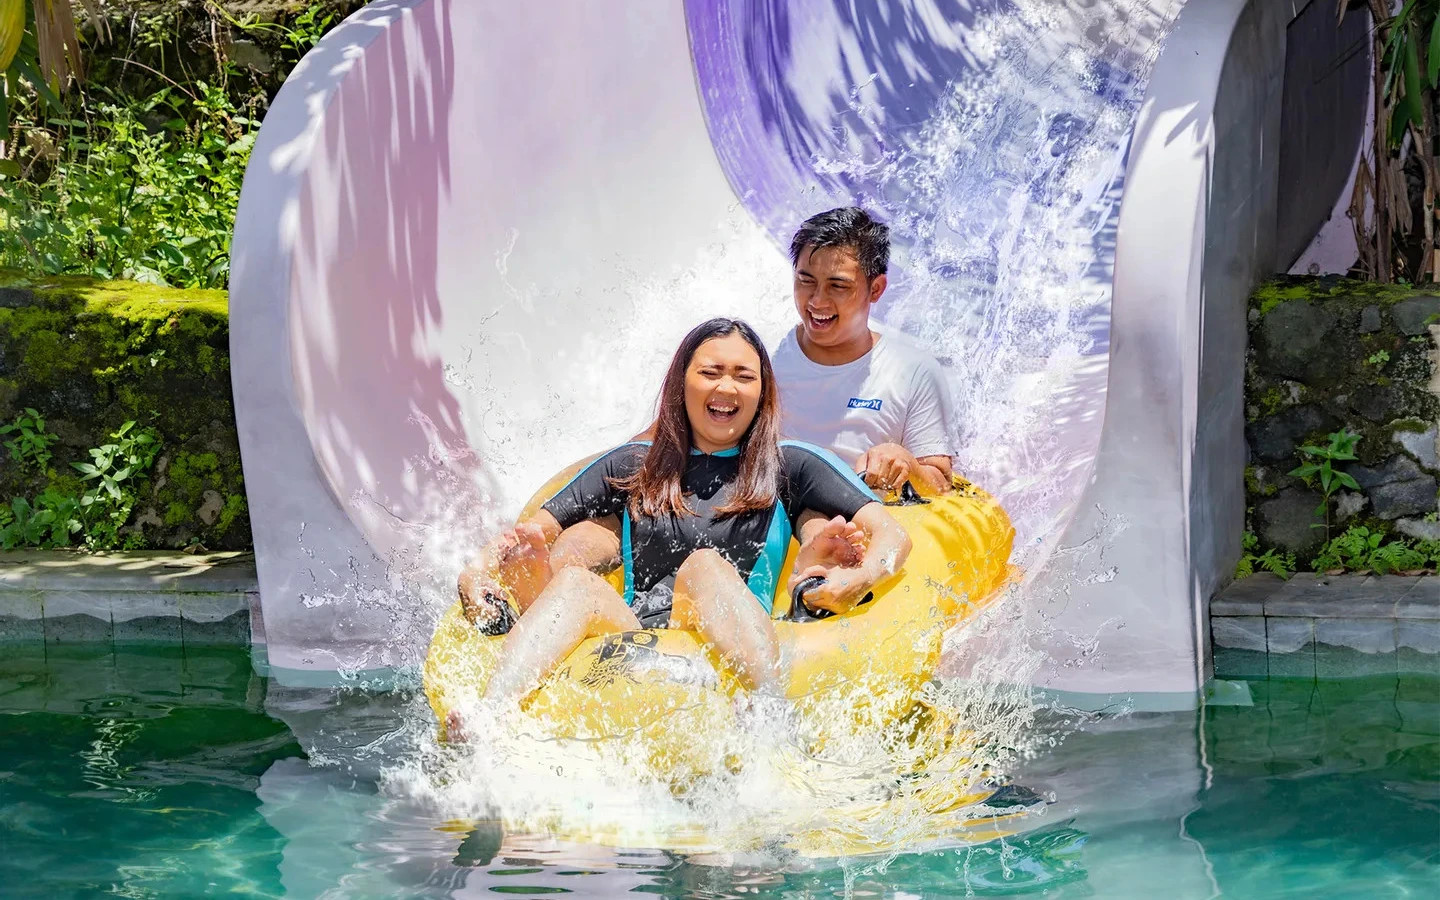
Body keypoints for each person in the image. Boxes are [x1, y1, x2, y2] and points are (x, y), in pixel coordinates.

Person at [457, 318, 912, 711]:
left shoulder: (790, 464)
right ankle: (489, 716)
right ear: (682, 383)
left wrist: (863, 577)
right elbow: (530, 531)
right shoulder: (636, 464)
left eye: (743, 376)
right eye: (710, 372)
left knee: (703, 565)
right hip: (636, 637)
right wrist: (479, 569)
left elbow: (893, 536)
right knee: (576, 583)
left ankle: (771, 714)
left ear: (762, 391)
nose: (726, 388)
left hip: (734, 641)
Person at [771, 207, 957, 496]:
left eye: (838, 286)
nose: (817, 301)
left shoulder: (913, 371)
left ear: (876, 289)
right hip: (781, 523)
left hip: (866, 527)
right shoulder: (765, 357)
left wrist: (906, 462)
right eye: (806, 281)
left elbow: (942, 485)